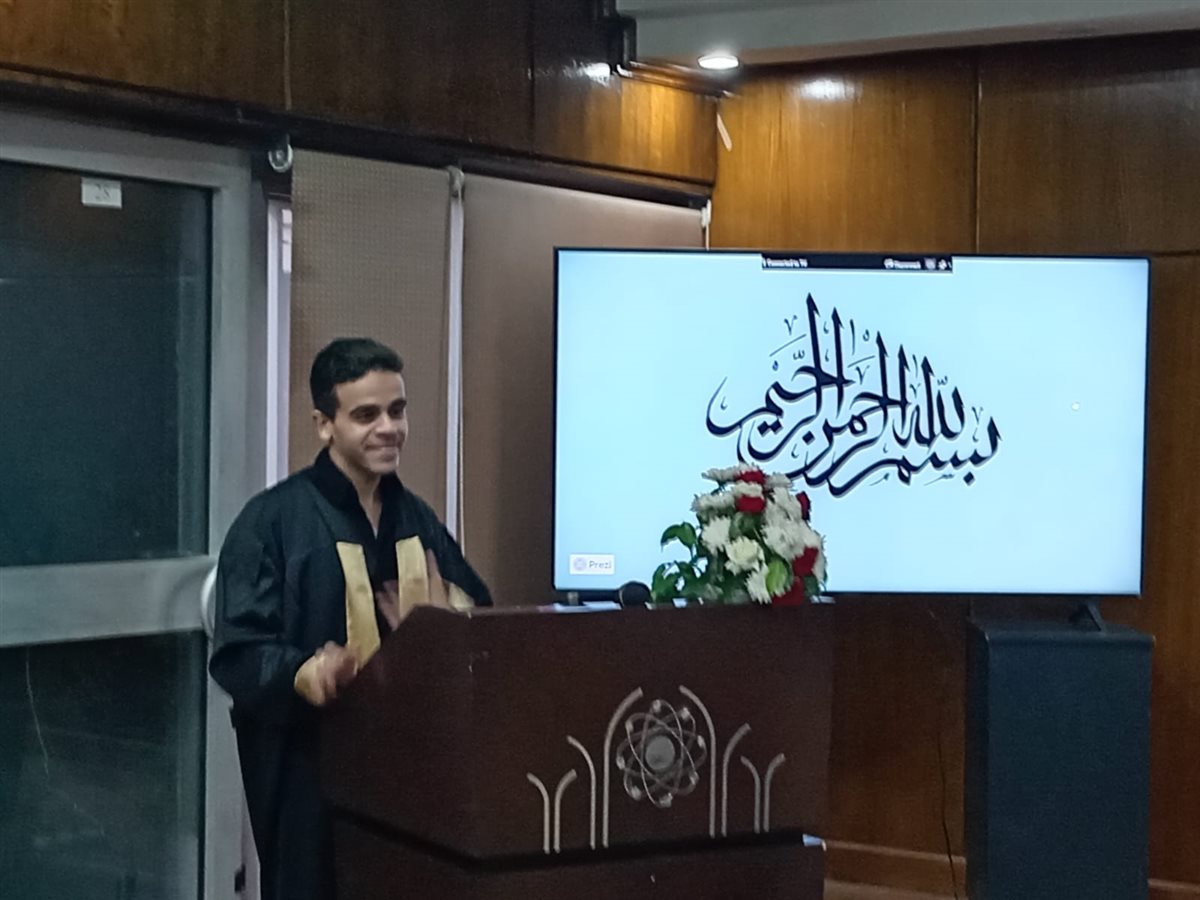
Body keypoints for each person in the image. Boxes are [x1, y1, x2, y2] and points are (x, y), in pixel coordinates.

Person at [209, 337, 491, 900]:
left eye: (397, 410)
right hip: (312, 774)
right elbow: (239, 652)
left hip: (409, 772)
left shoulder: (417, 519)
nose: (389, 428)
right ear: (324, 424)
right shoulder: (271, 524)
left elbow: (479, 618)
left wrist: (443, 625)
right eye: (366, 415)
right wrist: (306, 673)